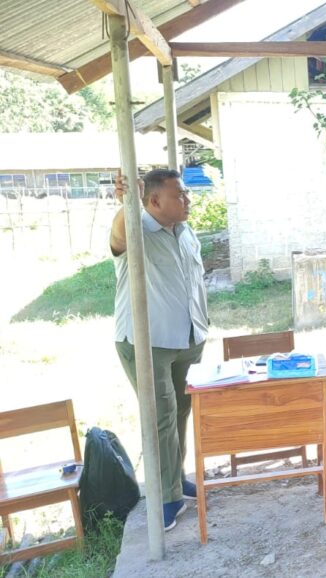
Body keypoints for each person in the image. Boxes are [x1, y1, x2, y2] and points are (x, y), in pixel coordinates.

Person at [110, 169, 209, 532]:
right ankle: (165, 497)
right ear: (153, 202)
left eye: (185, 194)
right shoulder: (137, 231)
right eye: (179, 195)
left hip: (186, 338)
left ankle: (175, 480)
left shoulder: (184, 232)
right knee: (161, 417)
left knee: (180, 412)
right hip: (147, 341)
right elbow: (119, 235)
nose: (187, 200)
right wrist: (128, 204)